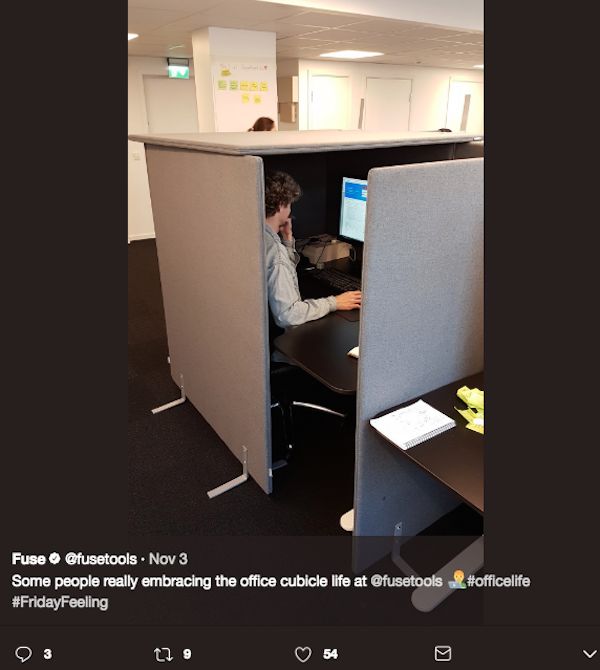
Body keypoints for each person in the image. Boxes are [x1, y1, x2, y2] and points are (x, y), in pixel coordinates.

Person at [264, 171, 361, 330]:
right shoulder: (276, 253)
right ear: (281, 204)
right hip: (286, 342)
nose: (290, 210)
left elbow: (284, 274)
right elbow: (288, 315)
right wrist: (335, 302)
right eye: (289, 204)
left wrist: (288, 241)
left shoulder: (260, 237)